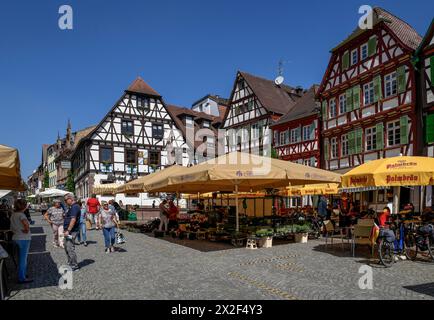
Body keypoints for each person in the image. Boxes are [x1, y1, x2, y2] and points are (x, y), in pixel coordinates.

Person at [10, 199, 33, 284]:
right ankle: (22, 277)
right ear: (23, 206)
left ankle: (22, 274)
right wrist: (26, 230)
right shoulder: (21, 215)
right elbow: (25, 224)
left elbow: (11, 228)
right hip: (23, 238)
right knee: (23, 259)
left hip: (15, 237)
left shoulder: (13, 215)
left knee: (19, 258)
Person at [63, 193, 81, 271]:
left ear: (71, 199)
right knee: (66, 246)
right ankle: (70, 262)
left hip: (72, 231)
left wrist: (68, 230)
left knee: (70, 247)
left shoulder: (75, 207)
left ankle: (74, 265)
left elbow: (73, 219)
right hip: (68, 230)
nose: (65, 201)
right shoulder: (71, 207)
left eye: (66, 200)